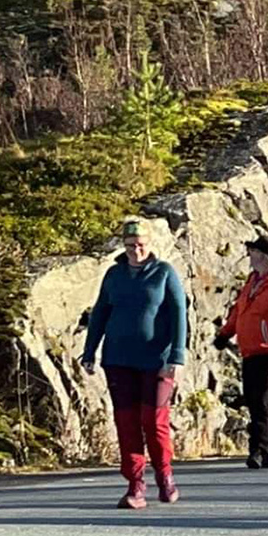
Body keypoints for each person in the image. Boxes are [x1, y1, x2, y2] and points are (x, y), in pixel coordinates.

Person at [81, 218, 188, 509]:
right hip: (118, 359)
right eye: (130, 246)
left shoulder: (164, 273)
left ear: (149, 245)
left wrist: (177, 356)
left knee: (153, 423)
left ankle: (165, 475)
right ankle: (136, 484)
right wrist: (89, 351)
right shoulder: (114, 275)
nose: (135, 251)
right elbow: (100, 313)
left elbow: (179, 314)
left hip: (157, 361)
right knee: (126, 423)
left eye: (140, 245)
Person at [213, 234, 268, 469]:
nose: (249, 256)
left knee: (264, 402)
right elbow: (240, 310)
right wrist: (226, 333)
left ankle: (259, 450)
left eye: (252, 252)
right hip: (251, 352)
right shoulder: (254, 280)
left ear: (263, 256)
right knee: (257, 403)